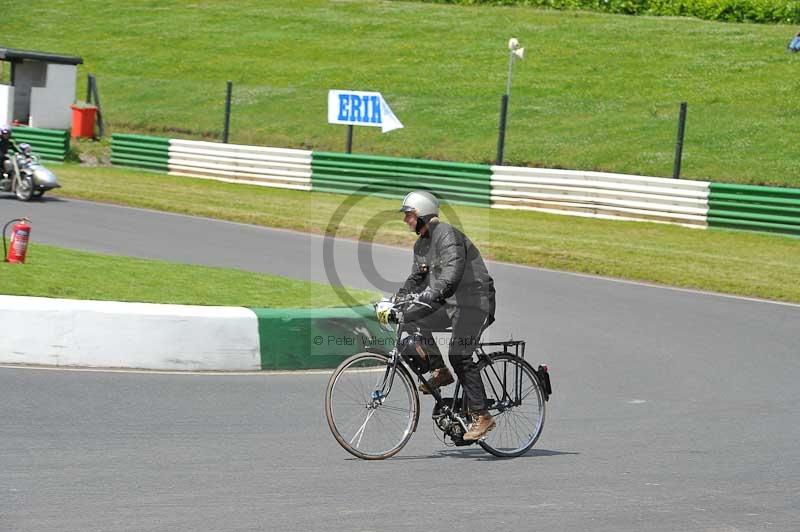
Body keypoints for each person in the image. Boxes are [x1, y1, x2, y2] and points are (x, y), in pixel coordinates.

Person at [394, 190, 497, 441]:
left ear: (422, 214)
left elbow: (453, 269)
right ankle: (440, 371)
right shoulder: (421, 244)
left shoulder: (446, 234)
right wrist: (398, 300)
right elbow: (417, 278)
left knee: (459, 353)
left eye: (409, 215)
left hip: (475, 301)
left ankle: (482, 416)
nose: (405, 220)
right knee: (410, 320)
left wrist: (434, 291)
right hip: (450, 304)